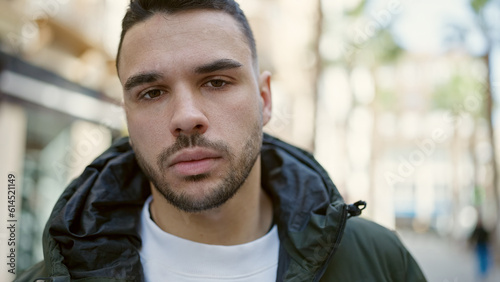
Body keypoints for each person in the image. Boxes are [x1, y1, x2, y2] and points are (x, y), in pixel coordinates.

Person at [16, 0, 426, 281]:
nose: (186, 118)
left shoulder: (378, 261)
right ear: (127, 112)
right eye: (152, 92)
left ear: (264, 100)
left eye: (216, 82)